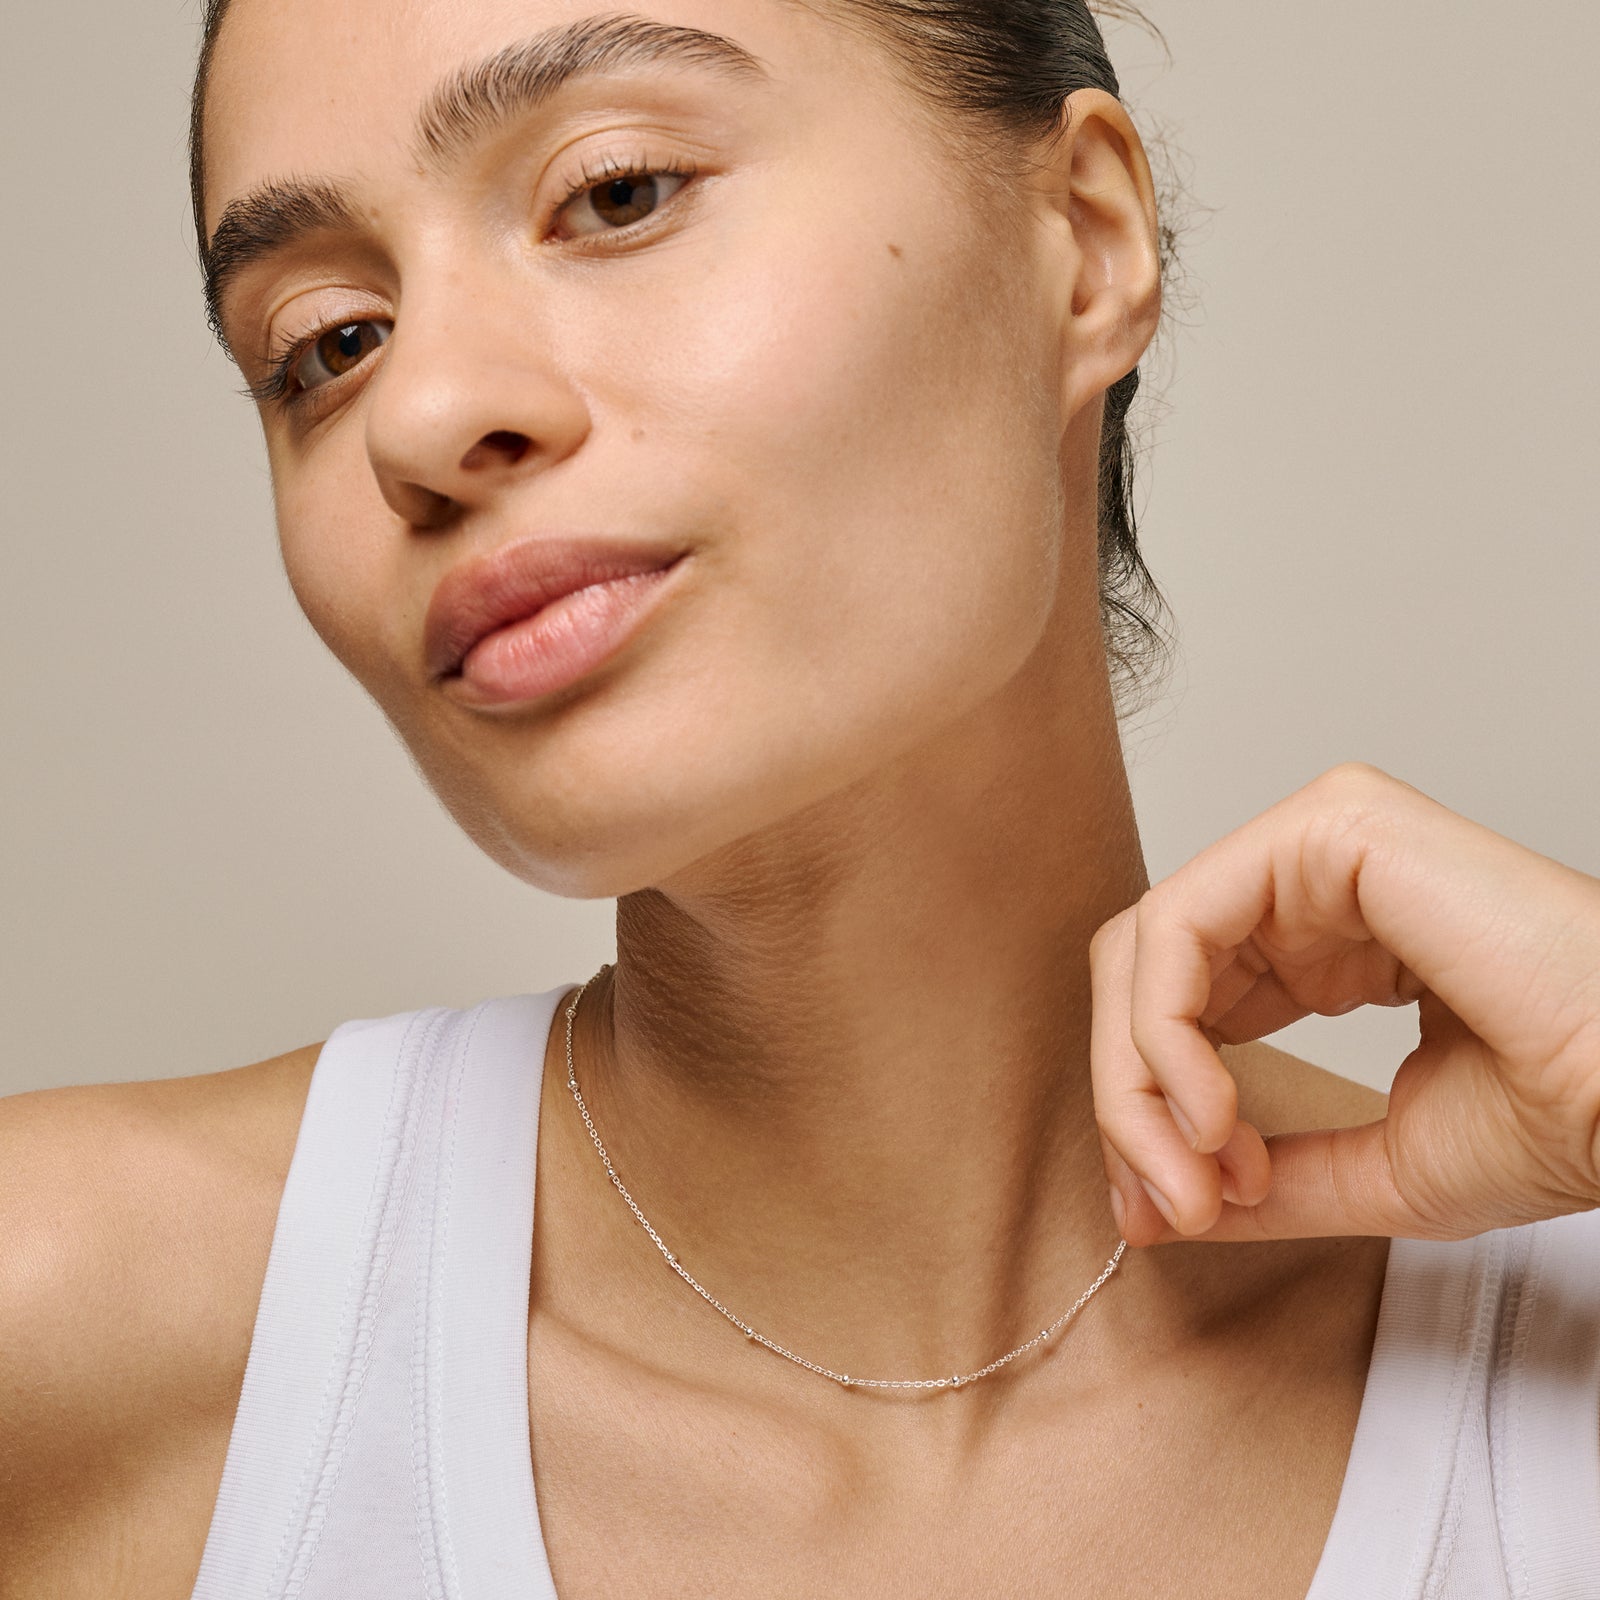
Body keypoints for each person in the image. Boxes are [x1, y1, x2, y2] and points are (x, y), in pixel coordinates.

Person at [0, 2, 1595, 1597]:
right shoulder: (70, 1325)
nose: (416, 419)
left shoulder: (1564, 1349)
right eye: (331, 343)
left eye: (616, 193)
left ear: (1087, 241)